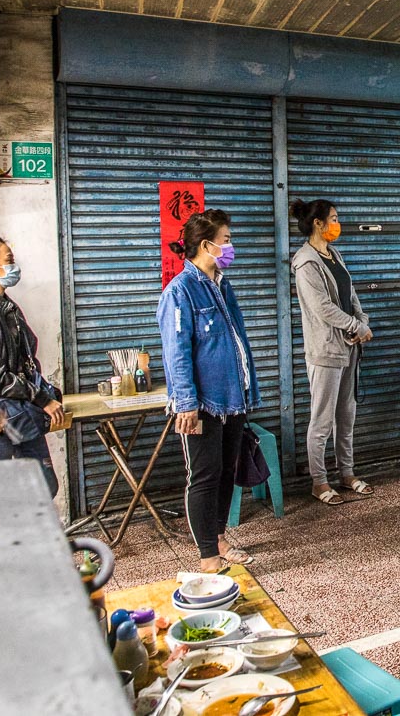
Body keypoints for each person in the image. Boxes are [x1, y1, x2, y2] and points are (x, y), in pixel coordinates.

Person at [157, 209, 260, 573]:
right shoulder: (180, 291)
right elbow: (177, 352)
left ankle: (218, 538)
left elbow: (234, 341)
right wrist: (186, 403)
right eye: (227, 240)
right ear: (207, 245)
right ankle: (207, 557)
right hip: (201, 404)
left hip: (232, 399)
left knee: (226, 471)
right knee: (202, 476)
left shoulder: (222, 285)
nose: (231, 246)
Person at [0, 235, 63, 494]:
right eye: (9, 261)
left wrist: (46, 391)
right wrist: (41, 398)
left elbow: (24, 359)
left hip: (19, 408)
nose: (14, 266)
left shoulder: (6, 305)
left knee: (44, 485)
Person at [290, 198, 375, 507]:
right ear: (318, 223)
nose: (338, 224)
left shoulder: (334, 255)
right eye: (335, 218)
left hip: (349, 345)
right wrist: (355, 325)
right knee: (322, 420)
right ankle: (319, 480)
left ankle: (347, 474)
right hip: (325, 350)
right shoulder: (305, 262)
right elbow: (322, 307)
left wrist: (361, 322)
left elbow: (349, 294)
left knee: (346, 415)